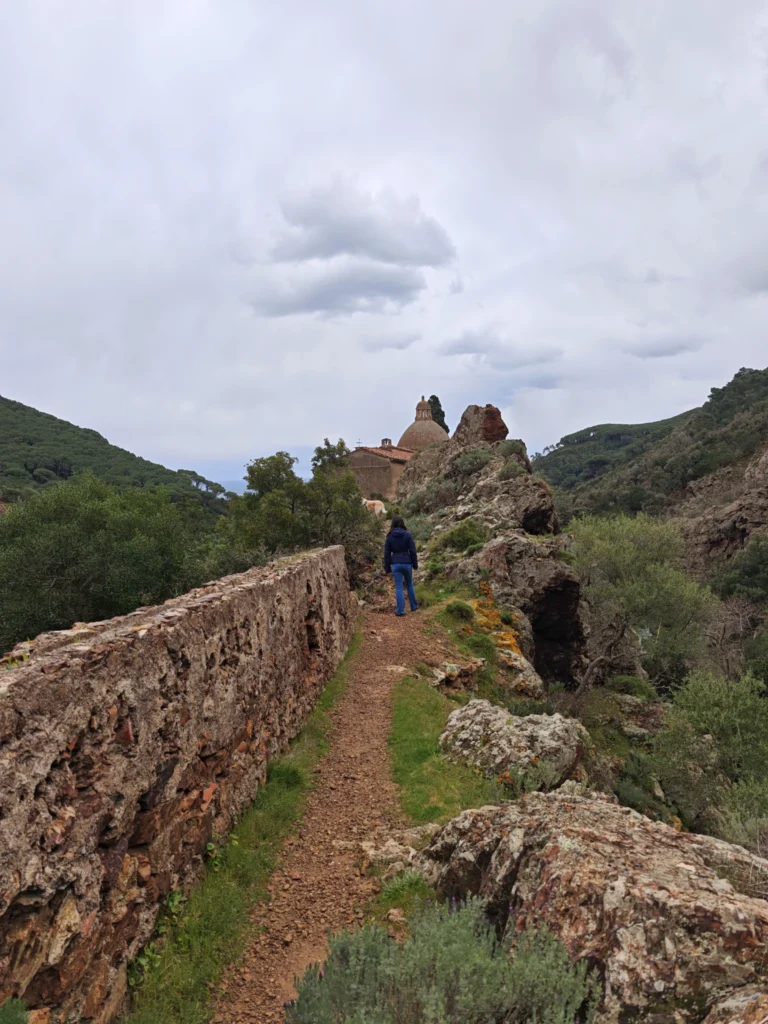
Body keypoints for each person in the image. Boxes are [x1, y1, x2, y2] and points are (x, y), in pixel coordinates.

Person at [384, 516, 419, 616]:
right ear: (402, 523)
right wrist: (415, 564)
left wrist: (387, 568)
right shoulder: (408, 534)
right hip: (407, 562)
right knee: (409, 584)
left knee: (399, 587)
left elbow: (386, 554)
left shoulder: (389, 536)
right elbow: (412, 550)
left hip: (395, 563)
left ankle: (400, 610)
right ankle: (414, 606)